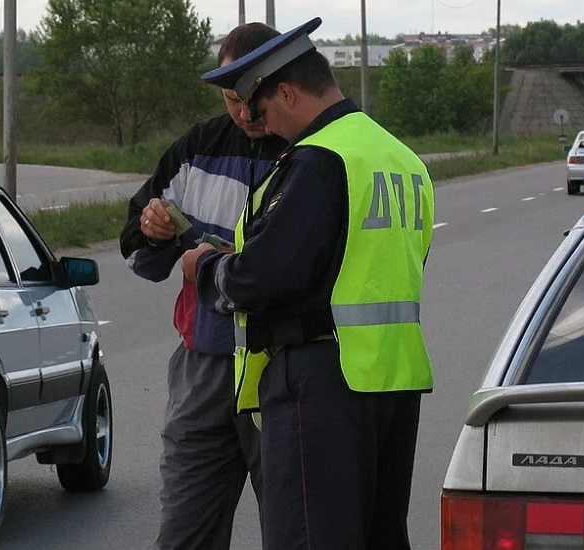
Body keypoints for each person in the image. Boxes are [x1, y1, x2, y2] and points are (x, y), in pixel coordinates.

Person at [182, 17, 436, 550]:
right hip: (391, 378)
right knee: (378, 535)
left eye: (263, 109)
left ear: (288, 92)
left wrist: (205, 267)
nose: (263, 124)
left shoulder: (320, 160)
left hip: (321, 382)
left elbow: (261, 279)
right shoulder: (400, 158)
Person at [118, 22, 288, 550]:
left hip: (284, 368)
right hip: (205, 371)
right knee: (184, 535)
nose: (243, 112)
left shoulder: (311, 152)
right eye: (230, 100)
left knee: (296, 533)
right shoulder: (198, 147)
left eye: (250, 98)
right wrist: (153, 229)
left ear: (278, 84)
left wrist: (215, 255)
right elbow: (135, 246)